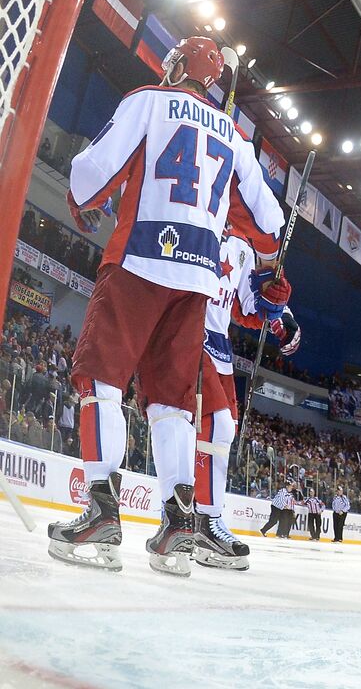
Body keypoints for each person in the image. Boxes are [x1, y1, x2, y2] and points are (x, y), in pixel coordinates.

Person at [47, 37, 286, 576]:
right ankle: (179, 522)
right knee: (173, 404)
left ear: (176, 67)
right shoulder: (237, 138)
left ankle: (101, 512)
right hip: (195, 283)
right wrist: (269, 270)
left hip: (138, 260)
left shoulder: (149, 100)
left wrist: (86, 203)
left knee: (100, 382)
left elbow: (90, 174)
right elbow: (269, 227)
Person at [193, 223, 295, 571]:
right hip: (190, 330)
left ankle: (203, 517)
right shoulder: (201, 216)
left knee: (225, 431)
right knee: (212, 426)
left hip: (220, 343)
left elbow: (248, 306)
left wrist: (279, 313)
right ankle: (201, 519)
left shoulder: (245, 248)